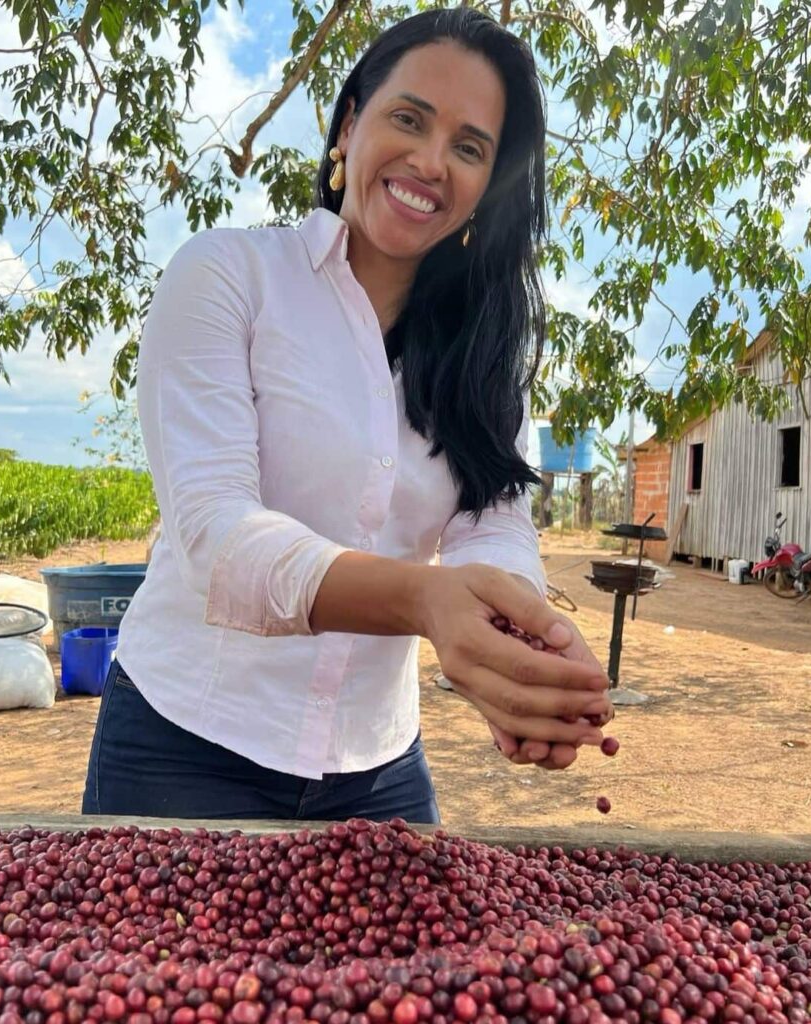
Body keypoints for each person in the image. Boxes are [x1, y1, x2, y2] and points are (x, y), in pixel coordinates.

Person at [81, 7, 613, 825]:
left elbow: (493, 525)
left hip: (378, 767)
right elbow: (218, 534)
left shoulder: (486, 352)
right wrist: (427, 602)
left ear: (486, 187)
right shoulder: (228, 277)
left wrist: (520, 640)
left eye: (470, 148)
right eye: (409, 119)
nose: (432, 162)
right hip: (182, 744)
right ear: (348, 127)